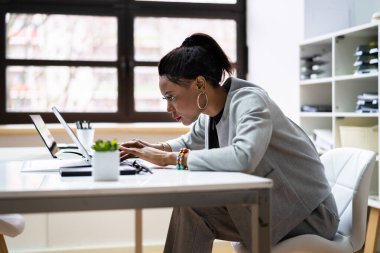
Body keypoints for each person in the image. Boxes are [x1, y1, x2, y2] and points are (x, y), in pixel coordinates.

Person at [120, 33, 339, 253]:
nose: (169, 108)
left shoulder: (249, 101)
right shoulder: (209, 114)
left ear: (199, 83)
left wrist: (169, 158)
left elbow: (244, 156)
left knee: (195, 209)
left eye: (171, 97)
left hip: (310, 215)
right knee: (190, 208)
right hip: (275, 206)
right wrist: (150, 149)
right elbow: (188, 141)